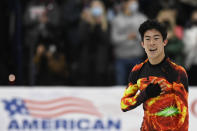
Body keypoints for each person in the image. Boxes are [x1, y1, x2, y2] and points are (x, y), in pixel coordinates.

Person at [120, 20, 188, 131]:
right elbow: (124, 105)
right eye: (147, 39)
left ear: (164, 42)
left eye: (156, 38)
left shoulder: (177, 72)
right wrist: (145, 94)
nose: (152, 43)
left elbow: (183, 112)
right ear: (142, 44)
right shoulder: (137, 70)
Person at [111, 0, 147, 85]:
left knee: (136, 86)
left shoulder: (142, 18)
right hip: (121, 58)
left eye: (135, 3)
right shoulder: (117, 19)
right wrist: (127, 37)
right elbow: (113, 39)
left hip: (137, 58)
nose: (134, 5)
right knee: (120, 85)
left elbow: (147, 38)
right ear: (125, 4)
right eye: (131, 3)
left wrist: (136, 36)